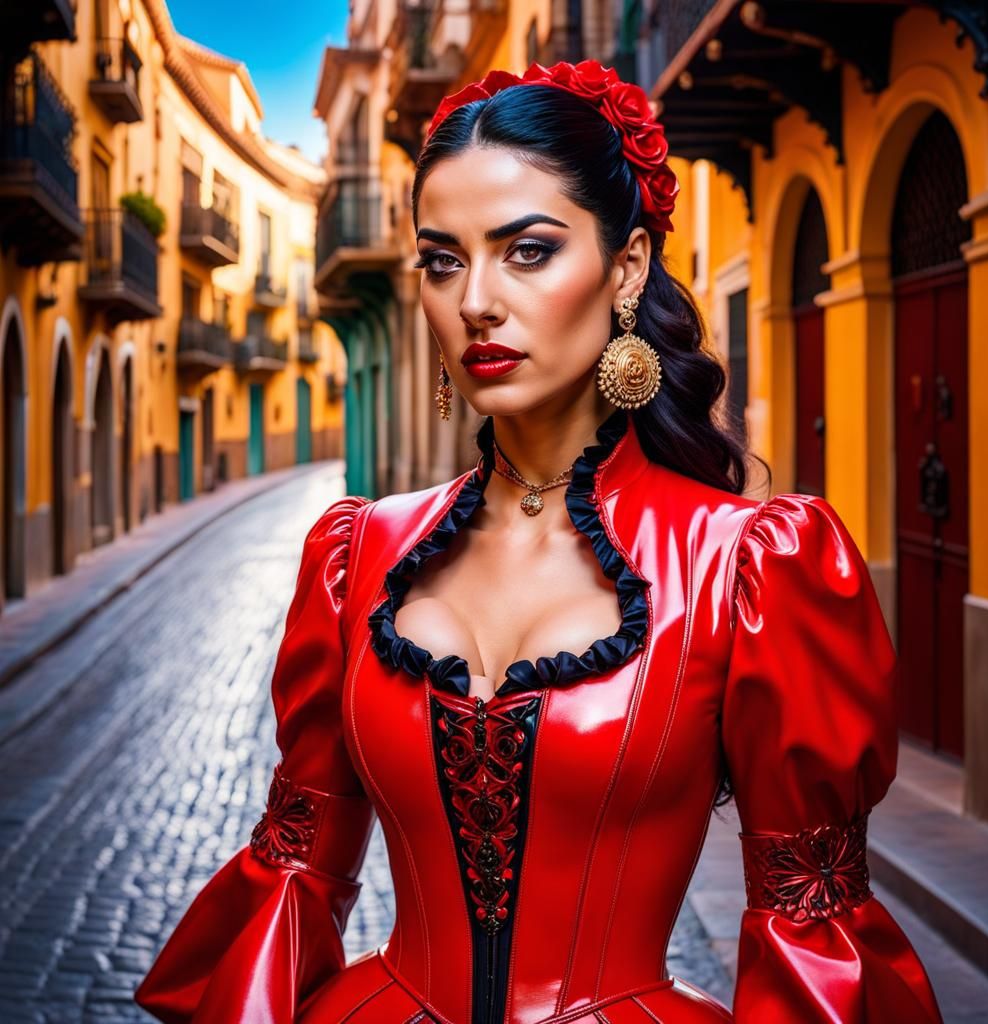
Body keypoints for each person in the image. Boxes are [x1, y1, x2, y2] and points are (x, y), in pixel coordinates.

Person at [134, 60, 942, 1023]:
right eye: (443, 261)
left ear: (629, 267)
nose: (474, 299)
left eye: (527, 251)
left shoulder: (749, 565)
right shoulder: (356, 555)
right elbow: (297, 870)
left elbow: (813, 927)